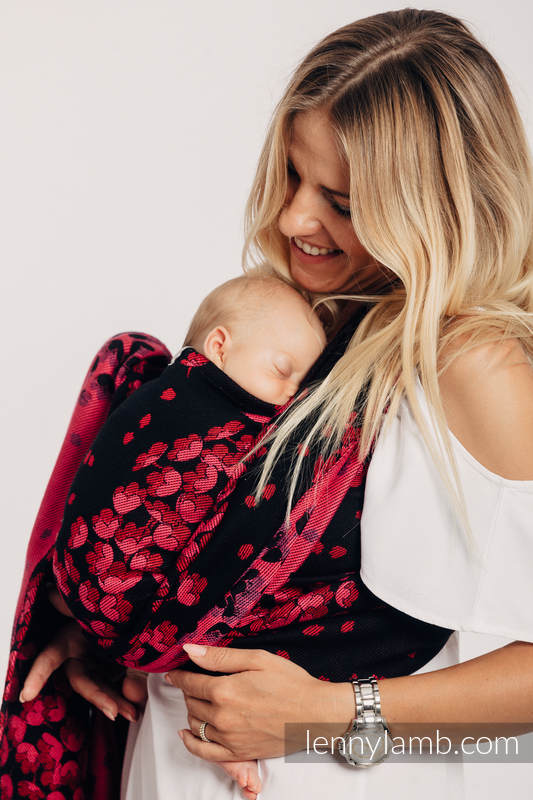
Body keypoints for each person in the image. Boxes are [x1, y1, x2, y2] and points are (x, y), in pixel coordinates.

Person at [3, 7, 533, 800]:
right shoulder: (300, 318)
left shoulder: (473, 363)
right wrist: (111, 632)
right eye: (290, 174)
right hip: (174, 768)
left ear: (433, 207)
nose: (292, 218)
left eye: (341, 201)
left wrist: (326, 714)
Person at [50, 269, 326, 798]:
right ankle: (228, 748)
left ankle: (137, 670)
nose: (291, 397)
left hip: (93, 597)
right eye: (282, 371)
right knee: (223, 615)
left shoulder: (160, 395)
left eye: (301, 385)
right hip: (125, 600)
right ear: (219, 346)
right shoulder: (194, 407)